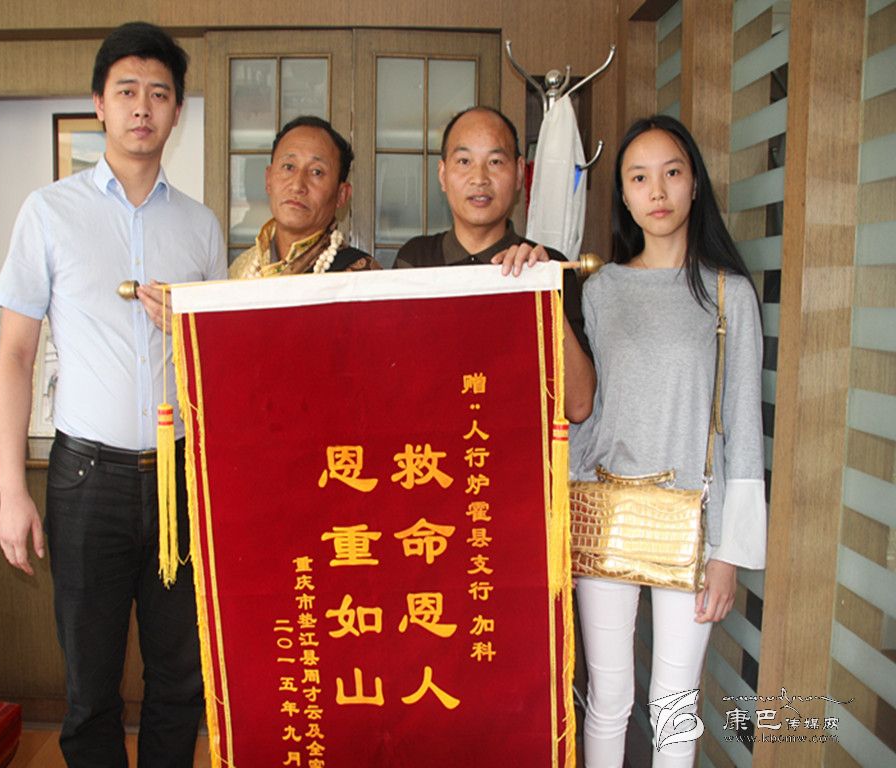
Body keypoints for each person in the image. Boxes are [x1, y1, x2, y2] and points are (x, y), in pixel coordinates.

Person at [0, 22, 227, 765]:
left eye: (159, 93)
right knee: (89, 687)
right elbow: (15, 356)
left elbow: (218, 364)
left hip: (178, 478)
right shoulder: (48, 211)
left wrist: (188, 328)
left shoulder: (200, 226)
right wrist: (11, 492)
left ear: (177, 110)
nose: (142, 107)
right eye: (126, 91)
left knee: (180, 679)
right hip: (85, 479)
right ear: (99, 103)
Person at [573, 115, 766, 767]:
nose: (656, 191)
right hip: (602, 515)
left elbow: (743, 427)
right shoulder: (600, 290)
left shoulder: (727, 293)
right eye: (638, 177)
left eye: (671, 173)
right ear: (624, 195)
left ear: (693, 185)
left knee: (675, 706)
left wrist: (729, 553)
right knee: (607, 698)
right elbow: (585, 411)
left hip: (693, 524)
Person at [394, 106, 594, 422]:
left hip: (515, 449)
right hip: (432, 448)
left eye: (495, 162)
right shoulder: (415, 261)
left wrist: (540, 288)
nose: (480, 178)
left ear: (519, 174)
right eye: (464, 161)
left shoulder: (549, 267)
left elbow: (579, 406)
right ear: (443, 175)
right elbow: (394, 383)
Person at [230, 115, 380, 278]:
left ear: (341, 195)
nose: (297, 186)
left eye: (316, 172)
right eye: (288, 167)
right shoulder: (240, 270)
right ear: (268, 180)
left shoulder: (363, 277)